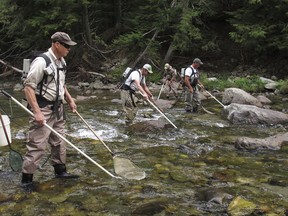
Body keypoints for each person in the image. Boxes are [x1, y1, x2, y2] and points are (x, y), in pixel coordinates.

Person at [22, 32, 78, 186]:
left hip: (58, 108)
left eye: (69, 46)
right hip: (43, 107)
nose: (69, 49)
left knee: (59, 142)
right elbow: (28, 88)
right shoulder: (42, 62)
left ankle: (60, 172)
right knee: (37, 144)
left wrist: (69, 99)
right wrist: (37, 112)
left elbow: (61, 83)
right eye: (66, 46)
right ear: (56, 44)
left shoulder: (62, 62)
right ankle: (27, 180)